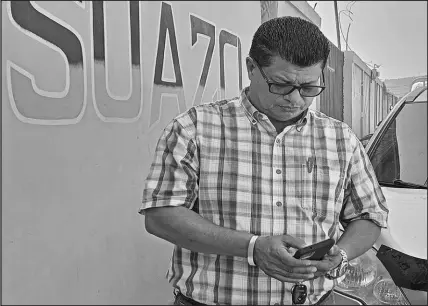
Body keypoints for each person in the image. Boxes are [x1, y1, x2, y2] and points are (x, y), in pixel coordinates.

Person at [139, 16, 389, 305]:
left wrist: (341, 253)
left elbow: (369, 215)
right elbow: (160, 216)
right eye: (281, 85)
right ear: (250, 68)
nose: (295, 99)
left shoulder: (340, 139)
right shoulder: (194, 128)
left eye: (309, 88)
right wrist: (252, 248)